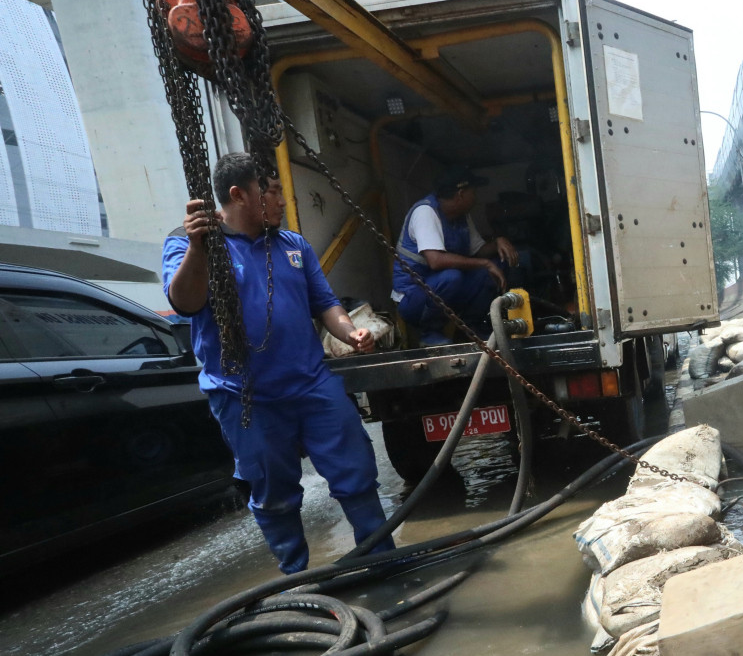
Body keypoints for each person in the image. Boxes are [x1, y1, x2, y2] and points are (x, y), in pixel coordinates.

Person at [163, 151, 396, 574]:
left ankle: (383, 558)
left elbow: (324, 303)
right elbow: (185, 301)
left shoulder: (293, 245)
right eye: (271, 192)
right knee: (274, 494)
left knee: (357, 474)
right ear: (240, 195)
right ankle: (299, 580)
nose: (282, 202)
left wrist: (348, 331)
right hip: (245, 396)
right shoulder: (188, 244)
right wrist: (198, 247)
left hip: (311, 384)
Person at [392, 165, 519, 344]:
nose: (475, 197)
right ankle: (429, 333)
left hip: (443, 290)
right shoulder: (426, 212)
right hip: (412, 298)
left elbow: (478, 250)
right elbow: (435, 261)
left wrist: (498, 241)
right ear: (460, 194)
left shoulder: (461, 216)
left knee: (492, 268)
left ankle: (472, 329)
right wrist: (484, 263)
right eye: (473, 192)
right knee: (452, 277)